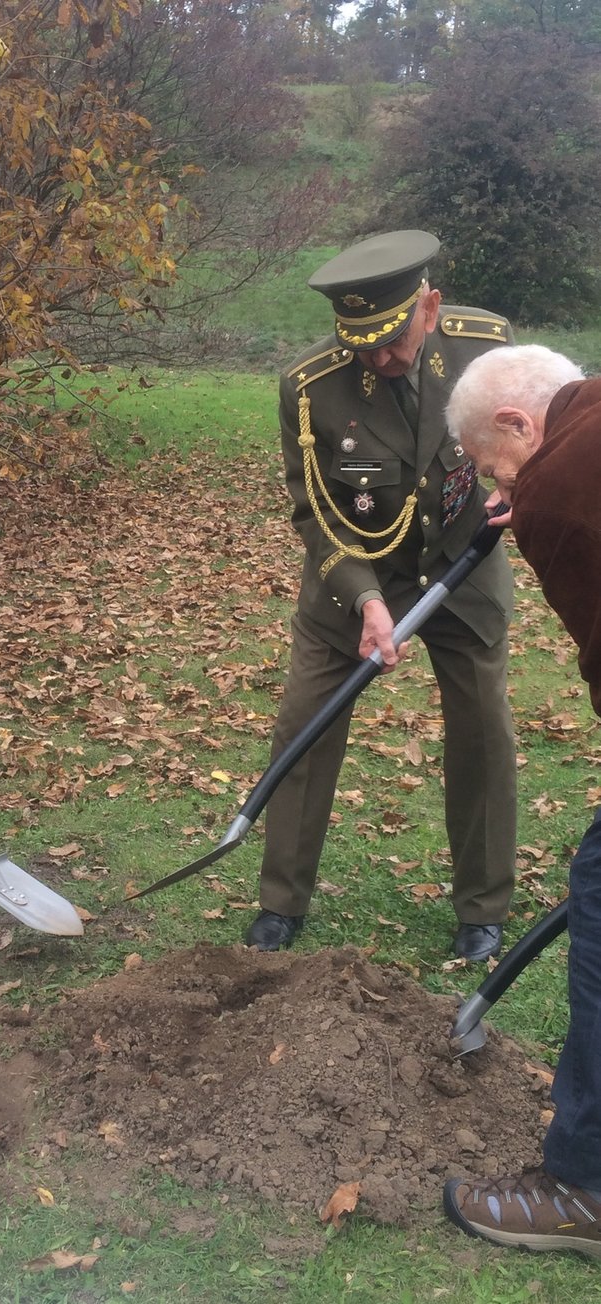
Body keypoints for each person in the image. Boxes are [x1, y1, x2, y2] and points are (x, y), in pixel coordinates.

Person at [246, 231, 517, 963]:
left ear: (428, 308)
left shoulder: (485, 348)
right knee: (305, 728)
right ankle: (281, 903)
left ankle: (483, 905)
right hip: (357, 578)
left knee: (482, 729)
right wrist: (366, 598)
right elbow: (316, 512)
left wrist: (527, 485)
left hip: (465, 565)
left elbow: (540, 427)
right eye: (360, 343)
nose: (378, 358)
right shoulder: (310, 389)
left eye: (391, 340)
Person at [441, 342, 601, 1257]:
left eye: (497, 465)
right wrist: (530, 485)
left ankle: (582, 1187)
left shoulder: (563, 493)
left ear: (518, 423)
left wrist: (535, 497)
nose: (502, 485)